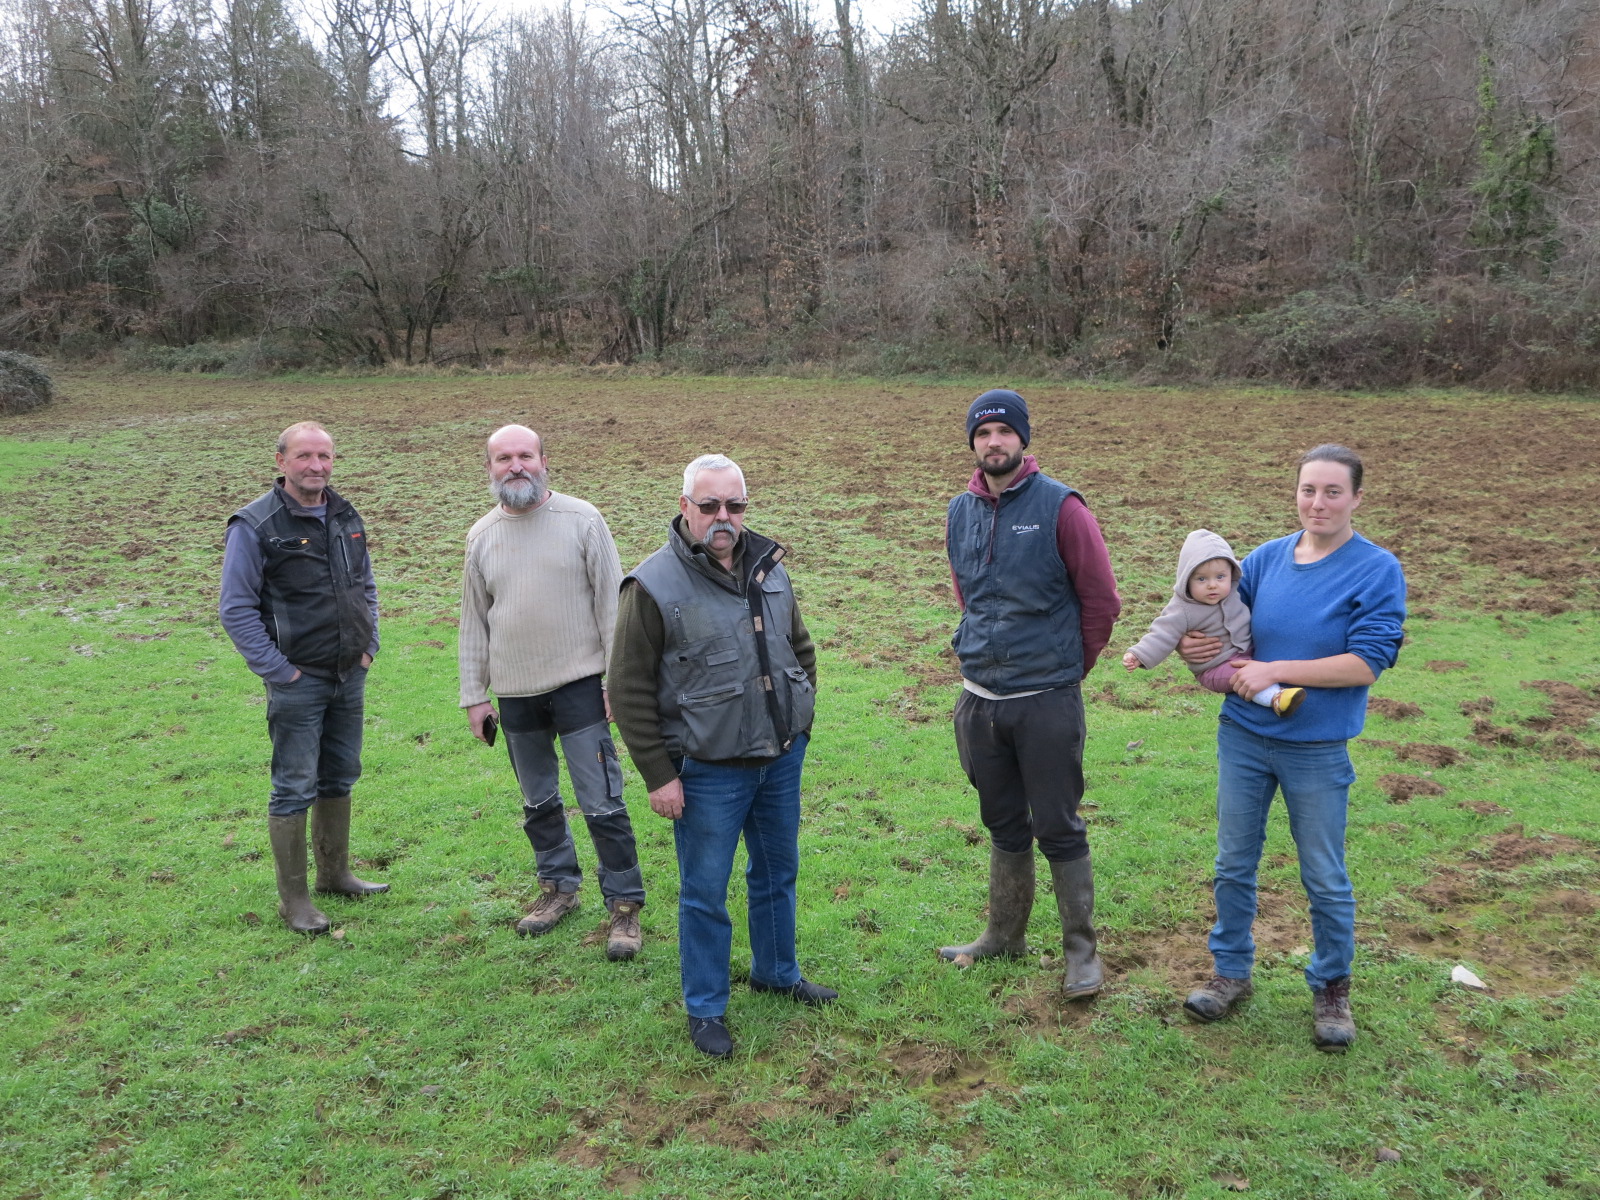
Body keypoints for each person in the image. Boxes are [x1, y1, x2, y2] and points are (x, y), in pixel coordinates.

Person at [1176, 444, 1405, 1051]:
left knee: (1324, 877)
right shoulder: (1264, 560)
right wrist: (1194, 648)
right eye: (1308, 490)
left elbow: (1368, 662)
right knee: (1232, 864)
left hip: (1317, 747)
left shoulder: (1376, 569)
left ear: (1357, 497)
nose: (1318, 503)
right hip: (1244, 737)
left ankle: (1331, 986)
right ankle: (1231, 973)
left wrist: (1278, 667)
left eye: (1333, 492)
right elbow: (1216, 617)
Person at [609, 453, 835, 1058]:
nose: (722, 517)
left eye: (734, 505)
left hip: (780, 759)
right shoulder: (652, 584)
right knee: (704, 892)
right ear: (684, 507)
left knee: (777, 874)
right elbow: (627, 690)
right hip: (706, 771)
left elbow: (799, 647)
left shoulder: (769, 568)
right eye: (708, 506)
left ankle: (777, 972)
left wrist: (800, 722)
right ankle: (705, 1008)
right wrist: (660, 775)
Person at [940, 389, 1122, 999]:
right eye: (983, 433)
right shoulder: (959, 511)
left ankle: (1081, 954)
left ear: (1023, 439)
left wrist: (1068, 669)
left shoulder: (1062, 507)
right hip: (980, 700)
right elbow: (969, 594)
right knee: (1002, 822)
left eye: (1005, 432)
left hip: (1046, 697)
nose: (995, 442)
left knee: (1058, 825)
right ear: (973, 442)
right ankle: (1003, 934)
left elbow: (1101, 601)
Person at [459, 425, 645, 958]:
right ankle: (557, 888)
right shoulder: (481, 536)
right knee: (537, 799)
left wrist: (617, 680)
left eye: (524, 455)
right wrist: (475, 693)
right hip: (517, 693)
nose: (514, 466)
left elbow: (614, 606)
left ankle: (625, 906)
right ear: (491, 468)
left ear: (543, 460)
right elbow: (474, 621)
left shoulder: (582, 520)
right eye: (503, 458)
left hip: (580, 685)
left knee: (602, 800)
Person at [220, 421, 387, 935]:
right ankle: (294, 900)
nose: (317, 466)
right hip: (298, 679)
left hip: (348, 673)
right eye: (305, 456)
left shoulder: (344, 514)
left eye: (325, 456)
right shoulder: (255, 525)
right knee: (294, 786)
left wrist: (368, 647)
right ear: (281, 462)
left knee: (340, 774)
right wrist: (280, 672)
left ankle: (335, 874)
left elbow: (366, 585)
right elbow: (235, 608)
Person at [1121, 528, 1305, 717]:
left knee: (1252, 670)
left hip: (1245, 655)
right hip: (1215, 667)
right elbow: (1162, 634)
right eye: (1201, 579)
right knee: (1246, 677)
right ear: (1186, 578)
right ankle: (1276, 697)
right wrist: (1138, 655)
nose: (1212, 585)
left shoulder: (1234, 590)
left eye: (1220, 577)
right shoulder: (1182, 609)